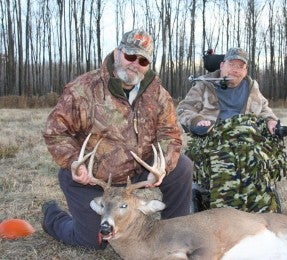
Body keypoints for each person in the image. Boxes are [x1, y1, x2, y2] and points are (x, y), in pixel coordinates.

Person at [42, 29, 193, 249]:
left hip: (135, 173)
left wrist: (162, 166)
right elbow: (55, 132)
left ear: (148, 65)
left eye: (142, 60)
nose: (135, 64)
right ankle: (52, 216)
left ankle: (174, 231)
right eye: (130, 56)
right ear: (117, 53)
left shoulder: (157, 93)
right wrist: (75, 162)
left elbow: (170, 134)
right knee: (93, 243)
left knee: (182, 167)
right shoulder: (84, 89)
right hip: (91, 177)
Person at [177, 47, 287, 213]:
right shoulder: (203, 85)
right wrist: (197, 120)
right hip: (214, 135)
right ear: (222, 65)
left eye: (240, 66)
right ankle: (225, 215)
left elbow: (264, 109)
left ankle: (261, 214)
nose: (235, 69)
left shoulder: (251, 87)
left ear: (245, 71)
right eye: (231, 64)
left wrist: (271, 121)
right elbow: (184, 108)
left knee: (257, 158)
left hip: (248, 137)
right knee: (227, 157)